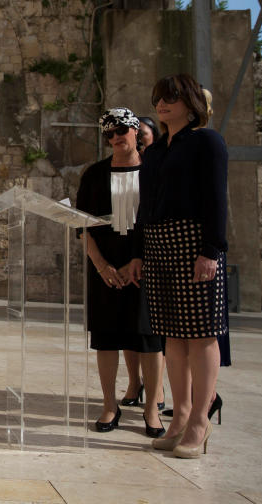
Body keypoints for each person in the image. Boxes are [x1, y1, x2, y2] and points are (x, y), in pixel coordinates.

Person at [130, 73, 229, 459]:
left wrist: (211, 250)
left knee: (202, 334)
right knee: (172, 335)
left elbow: (216, 200)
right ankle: (180, 414)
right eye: (158, 98)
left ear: (190, 102)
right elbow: (145, 206)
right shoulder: (154, 152)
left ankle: (201, 420)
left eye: (170, 97)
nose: (161, 104)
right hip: (158, 244)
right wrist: (139, 252)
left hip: (193, 243)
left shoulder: (207, 141)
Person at [76, 108, 165, 437]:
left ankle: (152, 408)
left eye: (122, 131)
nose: (116, 138)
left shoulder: (154, 172)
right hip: (106, 267)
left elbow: (159, 220)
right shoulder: (95, 174)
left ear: (135, 132)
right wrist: (101, 266)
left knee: (149, 340)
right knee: (107, 338)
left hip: (147, 264)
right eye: (109, 134)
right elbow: (82, 224)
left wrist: (139, 259)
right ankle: (109, 404)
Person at [120, 116, 166, 413]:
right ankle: (134, 382)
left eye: (144, 137)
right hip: (128, 249)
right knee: (129, 326)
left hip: (158, 250)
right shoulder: (125, 168)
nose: (140, 142)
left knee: (152, 328)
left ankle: (157, 390)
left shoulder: (159, 167)